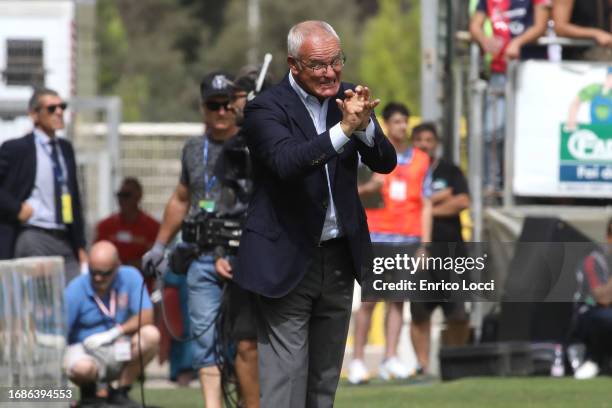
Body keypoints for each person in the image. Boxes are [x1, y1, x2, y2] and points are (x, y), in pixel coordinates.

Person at [233, 20, 396, 407]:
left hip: (339, 259)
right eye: (318, 65)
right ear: (293, 65)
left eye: (336, 61)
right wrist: (344, 129)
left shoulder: (350, 100)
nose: (330, 73)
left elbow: (386, 162)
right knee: (286, 382)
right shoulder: (264, 109)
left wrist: (365, 127)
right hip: (287, 261)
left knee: (323, 385)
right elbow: (288, 162)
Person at [142, 71, 239, 408]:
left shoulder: (253, 146)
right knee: (204, 338)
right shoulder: (193, 149)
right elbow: (182, 198)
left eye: (228, 104)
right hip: (200, 254)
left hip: (243, 256)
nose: (222, 111)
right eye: (214, 105)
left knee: (244, 341)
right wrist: (159, 245)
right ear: (203, 108)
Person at [348, 102, 432, 384]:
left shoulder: (420, 159)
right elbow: (348, 191)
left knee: (397, 301)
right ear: (386, 124)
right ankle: (357, 360)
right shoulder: (369, 155)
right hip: (376, 235)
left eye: (404, 122)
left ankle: (390, 358)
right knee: (370, 301)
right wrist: (367, 188)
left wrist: (425, 243)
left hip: (407, 237)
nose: (402, 127)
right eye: (396, 122)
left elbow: (427, 203)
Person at [0, 87, 86, 282]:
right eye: (51, 108)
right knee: (42, 298)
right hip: (33, 234)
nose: (59, 112)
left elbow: (74, 199)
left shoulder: (65, 149)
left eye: (61, 107)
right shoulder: (17, 149)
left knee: (75, 293)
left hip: (64, 238)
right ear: (34, 115)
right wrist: (16, 208)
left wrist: (80, 245)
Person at [64, 241, 160, 407]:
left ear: (117, 266)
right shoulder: (76, 287)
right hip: (86, 349)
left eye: (104, 273)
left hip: (118, 344)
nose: (98, 278)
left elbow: (146, 315)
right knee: (82, 368)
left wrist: (115, 332)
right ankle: (89, 394)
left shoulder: (130, 276)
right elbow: (61, 329)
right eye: (93, 272)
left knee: (151, 334)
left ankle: (120, 392)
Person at [470, 0, 550, 193]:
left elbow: (541, 26)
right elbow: (475, 26)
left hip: (532, 70)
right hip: (500, 73)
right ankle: (493, 185)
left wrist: (517, 42)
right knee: (492, 130)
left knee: (531, 132)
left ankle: (530, 186)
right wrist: (485, 40)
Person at [411, 122, 471, 376]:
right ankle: (424, 367)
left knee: (458, 313)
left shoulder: (450, 169)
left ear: (436, 143)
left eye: (429, 139)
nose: (424, 144)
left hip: (452, 251)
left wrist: (424, 210)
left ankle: (455, 363)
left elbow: (462, 201)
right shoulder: (405, 170)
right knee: (419, 313)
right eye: (420, 139)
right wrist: (441, 197)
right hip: (418, 253)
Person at [95, 177, 160, 283]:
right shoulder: (105, 226)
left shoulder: (152, 227)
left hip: (140, 286)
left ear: (138, 197)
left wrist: (129, 265)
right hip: (110, 285)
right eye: (119, 195)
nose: (122, 200)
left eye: (127, 196)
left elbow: (154, 262)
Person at [571, 217, 612, 379]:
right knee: (607, 318)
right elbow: (603, 298)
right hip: (589, 312)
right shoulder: (594, 261)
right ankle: (594, 359)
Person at [566, 66, 612, 131]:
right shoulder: (594, 88)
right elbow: (576, 102)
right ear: (608, 76)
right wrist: (571, 119)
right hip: (594, 130)